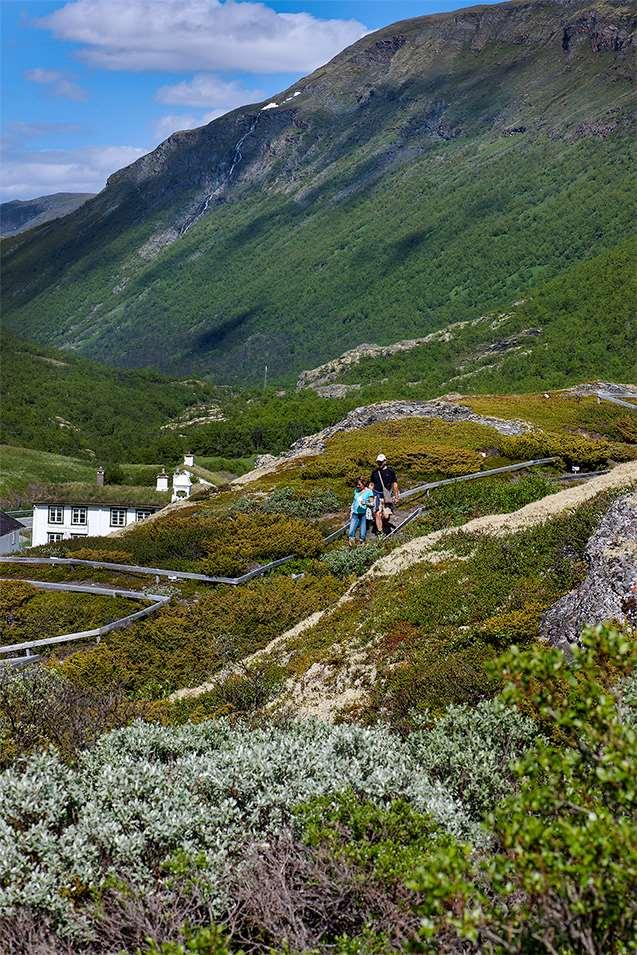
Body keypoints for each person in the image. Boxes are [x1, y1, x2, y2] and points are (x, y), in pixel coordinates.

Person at [370, 453, 399, 535]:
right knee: (378, 514)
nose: (379, 463)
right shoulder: (374, 472)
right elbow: (371, 485)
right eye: (378, 462)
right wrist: (370, 499)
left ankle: (383, 523)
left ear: (385, 461)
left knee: (386, 516)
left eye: (381, 462)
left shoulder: (390, 472)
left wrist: (397, 496)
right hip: (377, 496)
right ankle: (380, 532)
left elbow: (395, 484)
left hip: (387, 497)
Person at [348, 476, 374, 546]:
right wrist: (351, 510)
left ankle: (362, 542)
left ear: (364, 484)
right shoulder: (356, 490)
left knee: (362, 531)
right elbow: (354, 501)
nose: (357, 486)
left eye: (359, 484)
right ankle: (352, 542)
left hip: (363, 513)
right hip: (355, 513)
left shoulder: (369, 492)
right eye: (357, 484)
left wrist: (365, 502)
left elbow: (372, 503)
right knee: (351, 530)